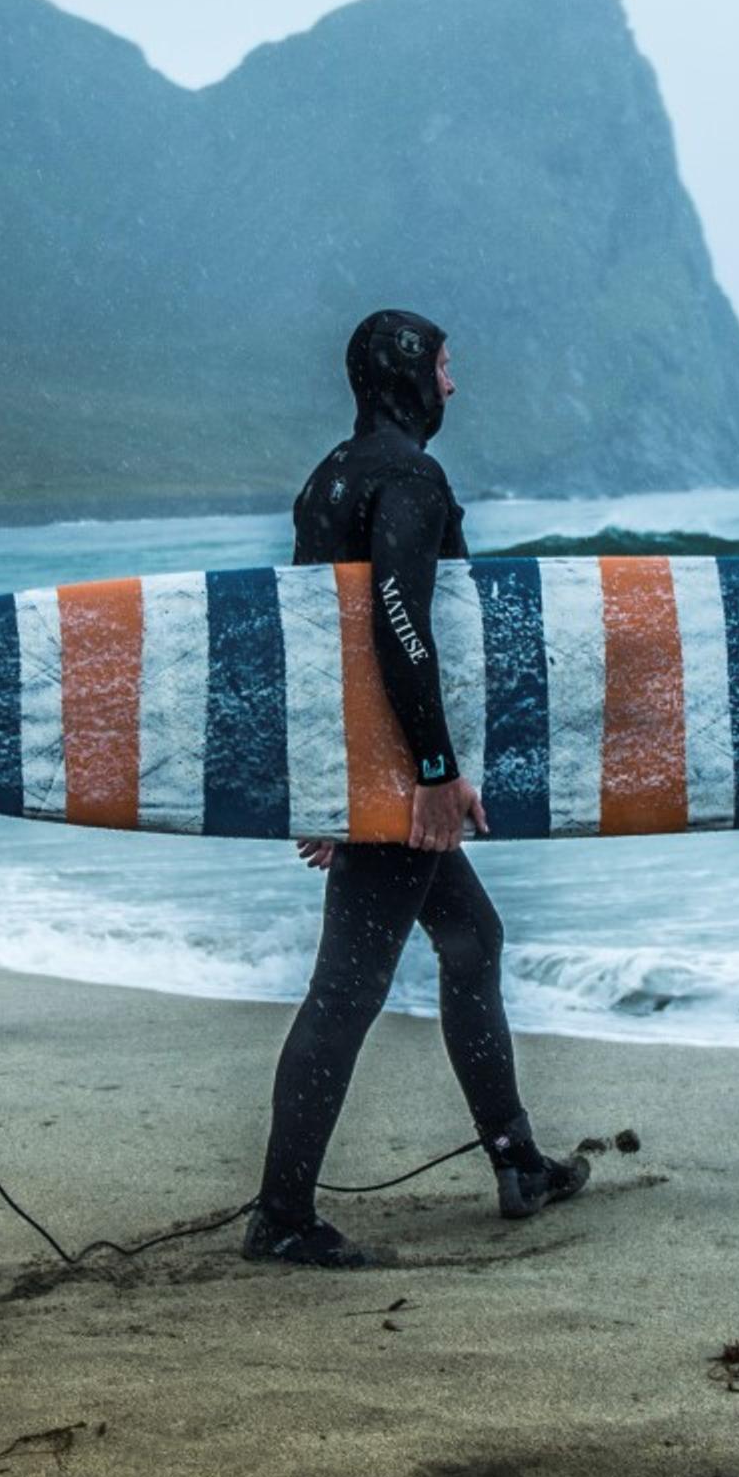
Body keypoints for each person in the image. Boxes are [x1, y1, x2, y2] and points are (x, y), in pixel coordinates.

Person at [241, 309, 592, 1268]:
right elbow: (399, 624)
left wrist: (330, 781)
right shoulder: (409, 477)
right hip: (406, 768)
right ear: (408, 376)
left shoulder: (330, 477)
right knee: (347, 989)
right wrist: (430, 775)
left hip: (373, 761)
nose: (453, 384)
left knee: (473, 940)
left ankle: (517, 1158)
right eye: (443, 366)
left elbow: (326, 645)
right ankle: (281, 1219)